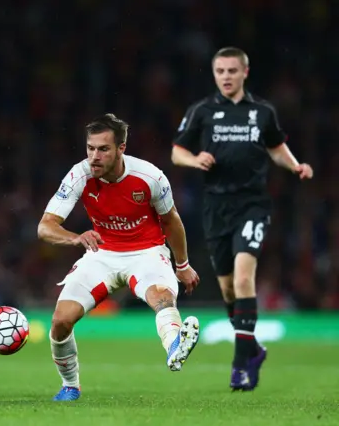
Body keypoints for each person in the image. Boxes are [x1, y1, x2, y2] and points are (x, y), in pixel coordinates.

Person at [171, 47, 314, 391]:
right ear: (214, 73)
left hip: (252, 204)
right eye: (220, 70)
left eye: (232, 70)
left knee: (244, 274)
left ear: (244, 72)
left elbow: (276, 147)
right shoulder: (202, 111)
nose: (226, 76)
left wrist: (294, 164)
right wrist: (196, 160)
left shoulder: (262, 112)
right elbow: (177, 152)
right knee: (228, 288)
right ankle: (253, 350)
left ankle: (240, 365)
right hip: (216, 208)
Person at [37, 113, 201, 402]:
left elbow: (171, 221)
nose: (94, 157)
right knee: (61, 321)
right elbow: (45, 226)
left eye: (103, 149)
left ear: (121, 148)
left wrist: (183, 265)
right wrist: (75, 238)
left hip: (147, 252)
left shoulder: (150, 176)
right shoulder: (79, 175)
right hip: (102, 254)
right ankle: (70, 385)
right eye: (90, 148)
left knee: (161, 296)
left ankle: (175, 344)